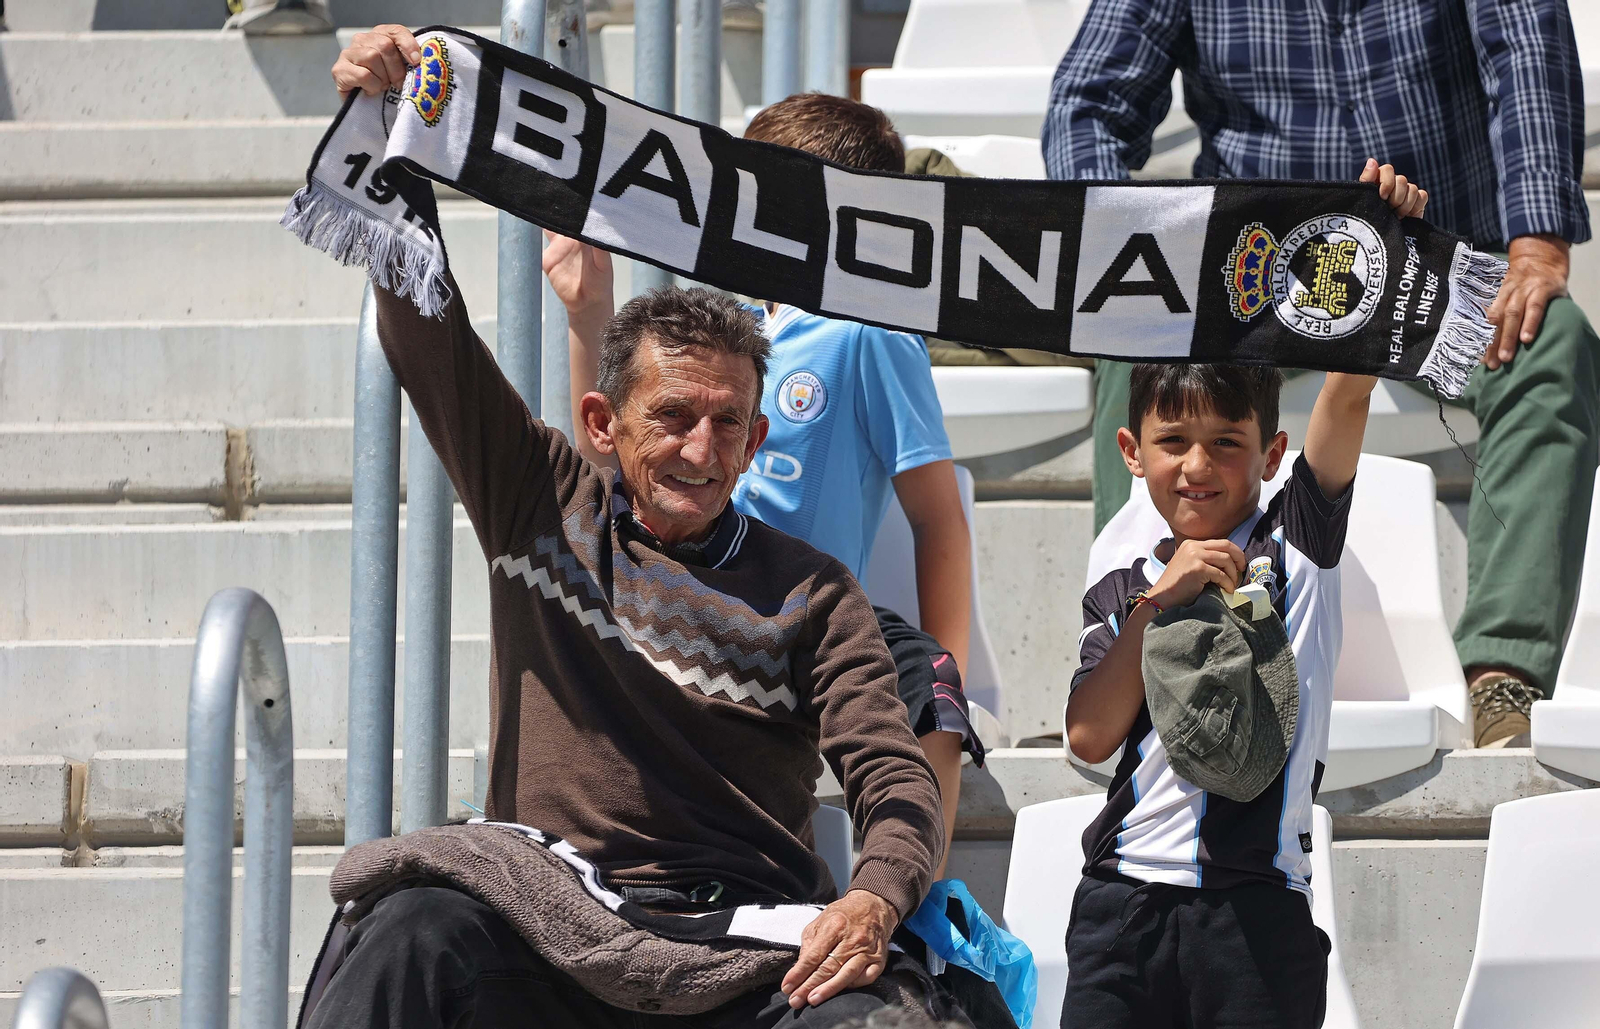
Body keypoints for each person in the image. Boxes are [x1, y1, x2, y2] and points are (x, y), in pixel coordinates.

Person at [315, 27, 950, 1028]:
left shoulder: (815, 593)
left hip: (744, 947)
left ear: (754, 442)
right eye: (673, 418)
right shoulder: (539, 500)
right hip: (548, 924)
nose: (700, 449)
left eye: (726, 423)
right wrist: (386, 122)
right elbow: (421, 326)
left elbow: (893, 775)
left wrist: (874, 895)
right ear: (605, 423)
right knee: (409, 931)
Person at [1044, 0, 1600, 748]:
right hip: (1252, 278)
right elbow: (1087, 104)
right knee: (1137, 338)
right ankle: (1139, 641)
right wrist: (1129, 243)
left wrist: (1535, 243)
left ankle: (1504, 674)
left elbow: (1526, 54)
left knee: (1549, 341)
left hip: (1429, 267)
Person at [548, 93, 980, 874]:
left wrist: (950, 672)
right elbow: (609, 460)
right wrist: (589, 313)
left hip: (801, 613)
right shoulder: (723, 314)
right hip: (679, 578)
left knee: (929, 682)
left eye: (775, 193)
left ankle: (921, 910)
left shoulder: (871, 329)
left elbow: (939, 520)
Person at [1063, 358, 1375, 1029]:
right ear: (1132, 452)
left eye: (1227, 443)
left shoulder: (1297, 546)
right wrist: (1159, 600)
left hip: (1257, 911)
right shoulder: (1122, 589)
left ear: (1272, 454)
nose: (1197, 465)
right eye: (1172, 440)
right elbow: (1088, 735)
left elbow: (1347, 394)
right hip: (1119, 906)